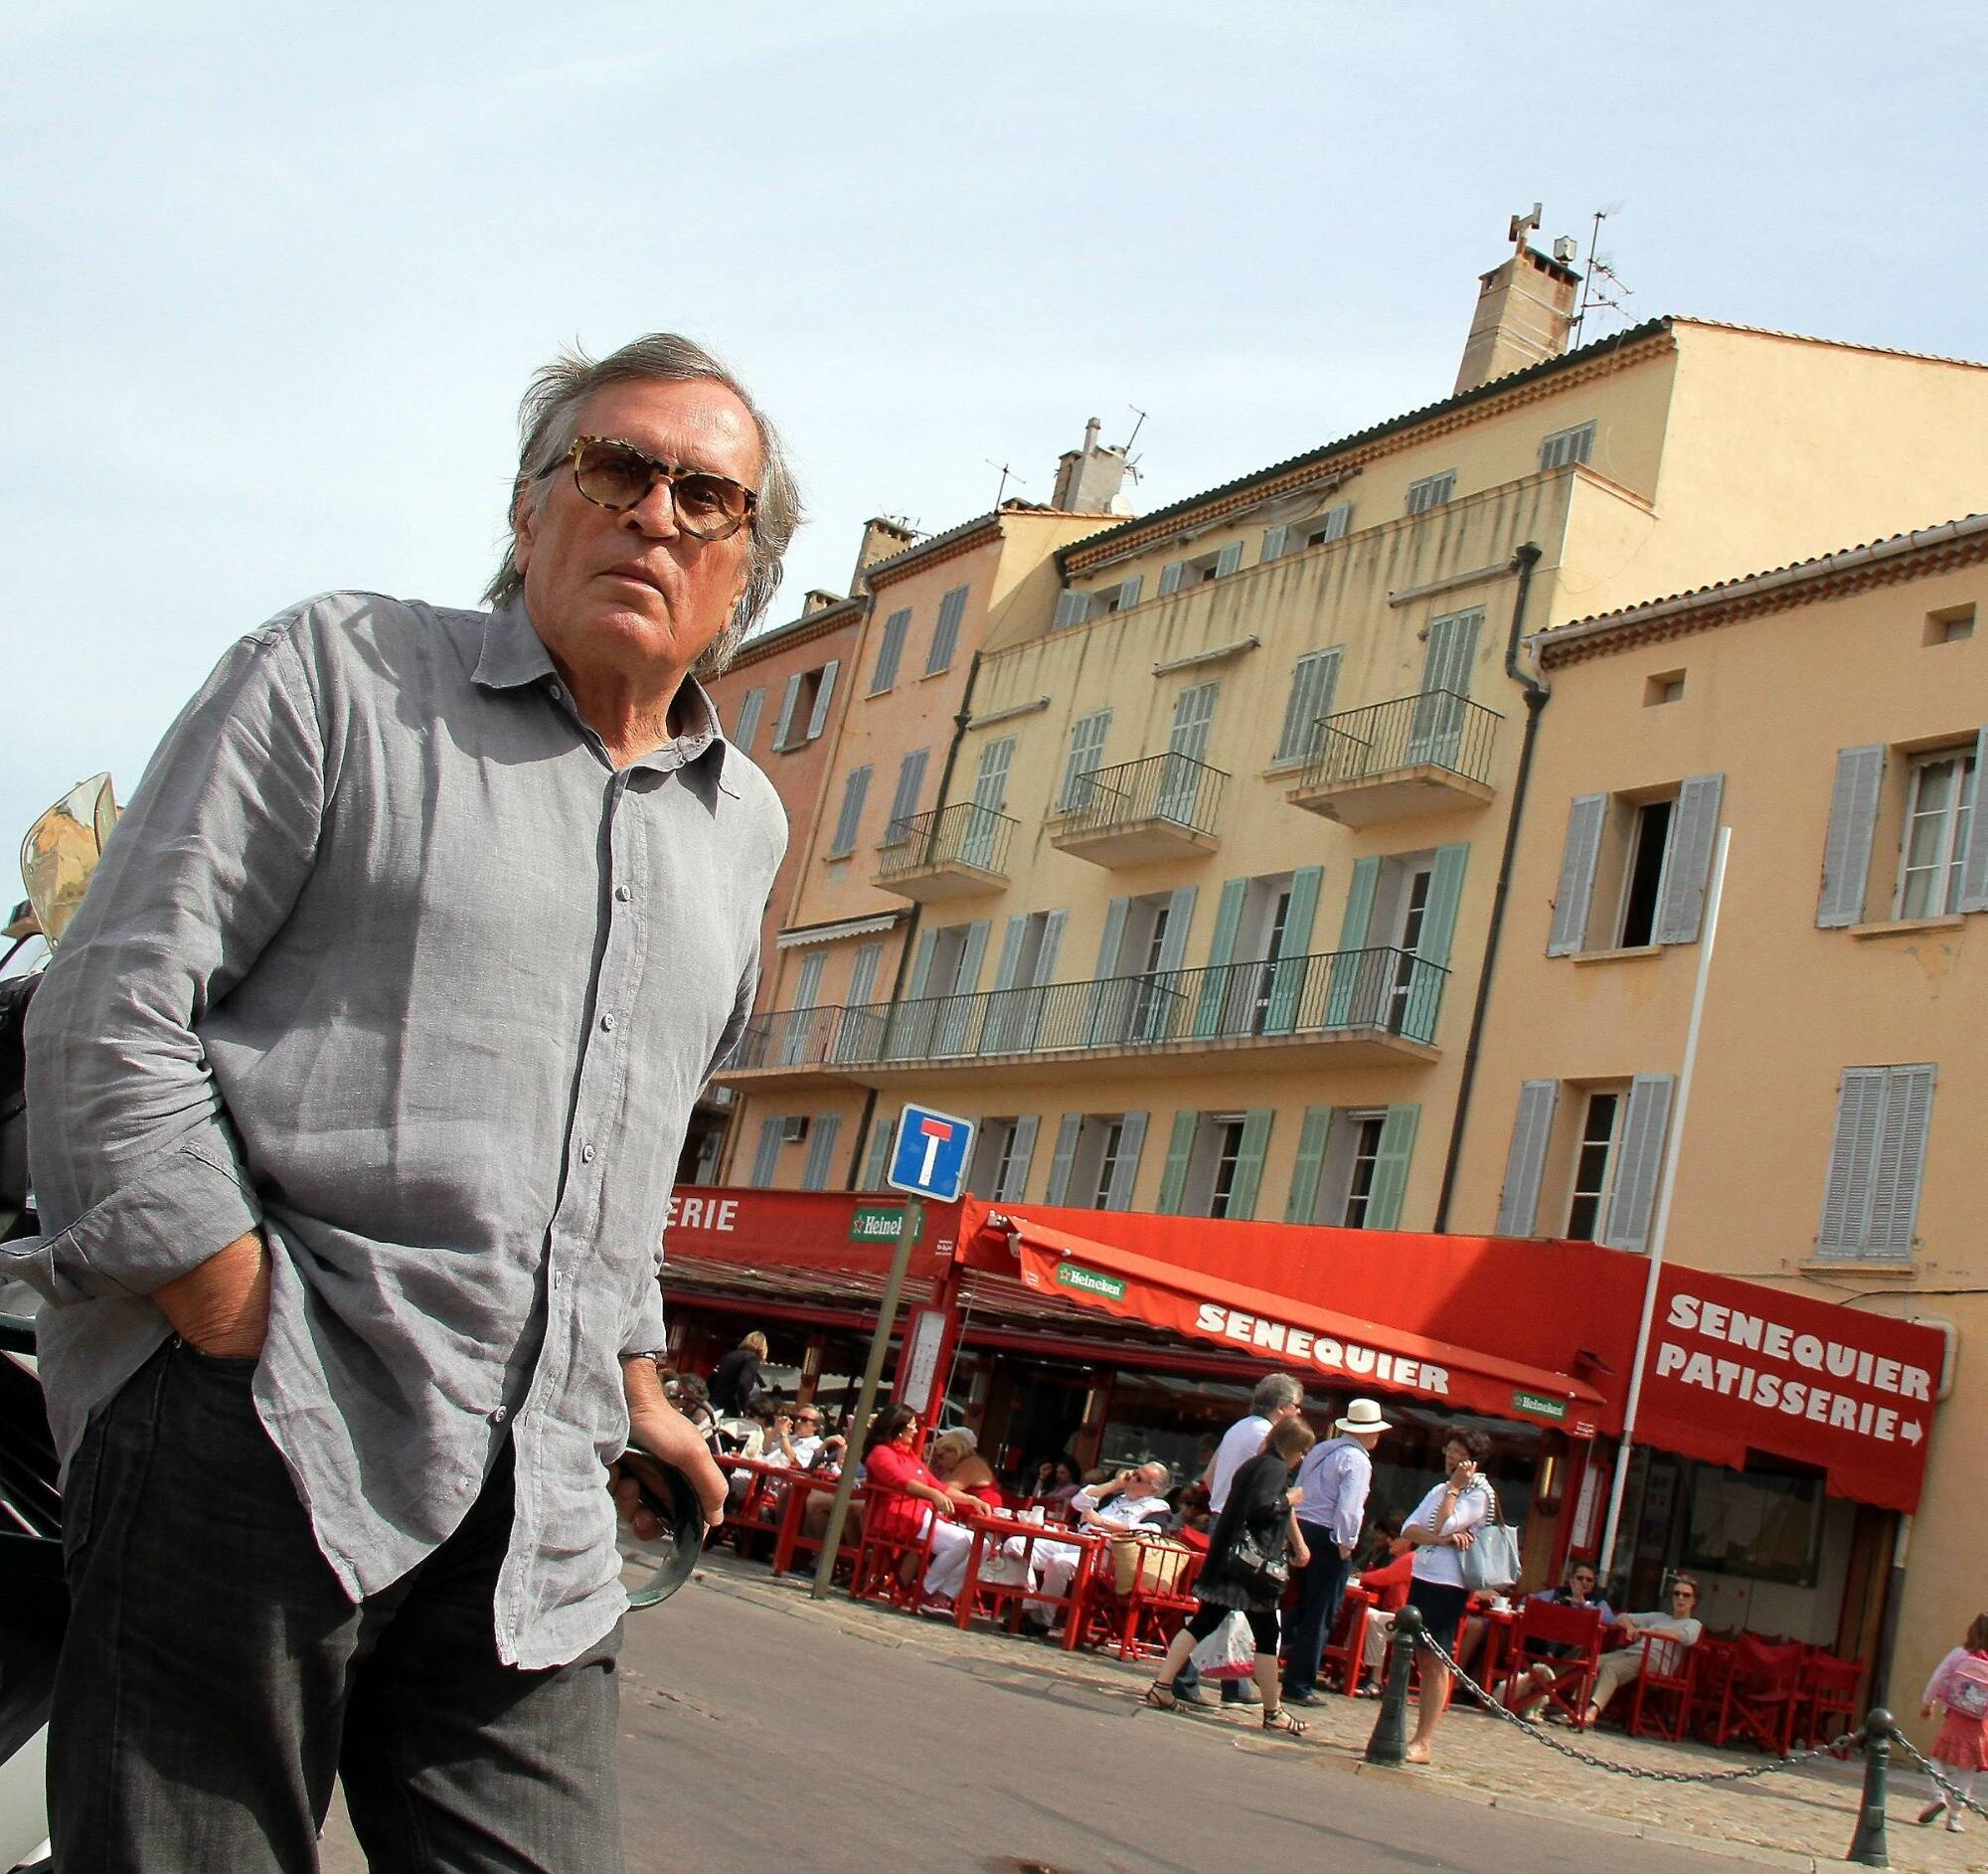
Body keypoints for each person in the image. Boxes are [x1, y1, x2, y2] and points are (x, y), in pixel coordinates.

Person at [9, 331, 799, 1870]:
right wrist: (232, 1311)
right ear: (530, 513)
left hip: (541, 1516)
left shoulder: (744, 827)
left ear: (743, 570)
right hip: (267, 1440)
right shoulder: (340, 673)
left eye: (706, 497)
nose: (654, 513)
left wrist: (633, 1383)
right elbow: (108, 1010)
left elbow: (618, 1163)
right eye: (614, 468)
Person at [1143, 1416, 1317, 1737]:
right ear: (1291, 1445)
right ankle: (1273, 1711)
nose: (1303, 1457)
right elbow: (1262, 1508)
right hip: (1251, 1570)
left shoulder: (1252, 1465)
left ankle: (1162, 1684)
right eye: (1303, 1450)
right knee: (1267, 1636)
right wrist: (1288, 1500)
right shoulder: (1275, 1469)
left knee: (1203, 1622)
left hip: (1229, 1559)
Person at [1180, 1372, 1306, 1705]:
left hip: (1224, 1518)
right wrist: (1298, 1542)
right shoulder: (1270, 1438)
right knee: (1228, 1607)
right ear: (1281, 1408)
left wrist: (1222, 1499)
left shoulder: (1238, 1428)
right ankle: (1187, 1675)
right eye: (1296, 1406)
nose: (1298, 1413)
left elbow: (1209, 1475)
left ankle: (1232, 1682)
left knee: (1228, 1608)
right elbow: (1273, 1496)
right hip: (1250, 1525)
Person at [1280, 1397, 1391, 1705]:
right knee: (1321, 1613)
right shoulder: (1357, 1460)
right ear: (1369, 1432)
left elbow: (1299, 1488)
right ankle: (1299, 1684)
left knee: (1297, 1604)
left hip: (1302, 1526)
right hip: (1328, 1535)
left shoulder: (1320, 1450)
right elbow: (1350, 1508)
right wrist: (1346, 1543)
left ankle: (1273, 1653)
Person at [1398, 1425, 1497, 1764]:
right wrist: (1438, 1539)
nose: (1451, 1459)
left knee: (1436, 1657)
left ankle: (1424, 1741)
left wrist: (1455, 1490)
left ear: (1473, 1462)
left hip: (1449, 1583)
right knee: (1418, 1656)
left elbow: (1443, 1523)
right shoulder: (1439, 1488)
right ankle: (1408, 1731)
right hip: (1423, 1575)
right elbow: (1410, 1529)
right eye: (1449, 1452)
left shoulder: (1477, 1494)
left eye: (1459, 1454)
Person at [857, 1405, 976, 1616]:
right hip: (897, 1517)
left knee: (981, 1545)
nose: (915, 1430)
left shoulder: (910, 1455)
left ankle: (942, 1595)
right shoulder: (881, 1453)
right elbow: (899, 1480)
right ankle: (925, 1591)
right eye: (911, 1425)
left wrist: (971, 1500)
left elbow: (937, 1485)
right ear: (898, 1427)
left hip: (921, 1515)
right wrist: (932, 1495)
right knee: (963, 1543)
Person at [1024, 1461, 1174, 1624]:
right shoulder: (1116, 1496)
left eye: (1138, 1478)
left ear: (1153, 1489)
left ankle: (1041, 1620)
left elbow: (1149, 1531)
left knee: (1059, 1562)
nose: (1131, 1478)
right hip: (1078, 1541)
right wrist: (1114, 1484)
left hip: (1104, 1555)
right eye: (1133, 1473)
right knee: (1018, 1545)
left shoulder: (1158, 1507)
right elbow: (1078, 1502)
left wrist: (1102, 1522)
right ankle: (1029, 1606)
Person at [1498, 1561, 1616, 1719]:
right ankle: (1528, 1699)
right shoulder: (1558, 1594)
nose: (1584, 1583)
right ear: (1571, 1579)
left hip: (1571, 1658)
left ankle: (1529, 1699)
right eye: (1580, 1578)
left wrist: (1584, 1606)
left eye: (1589, 1580)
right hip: (1542, 1650)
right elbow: (1528, 1601)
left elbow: (1611, 1621)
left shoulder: (1598, 1602)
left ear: (1594, 1584)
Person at [1584, 1577, 1705, 1725]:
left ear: (1694, 1601)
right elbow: (1622, 1617)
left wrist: (1652, 1631)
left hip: (1656, 1661)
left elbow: (1687, 1637)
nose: (1680, 1598)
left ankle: (1592, 1711)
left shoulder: (1693, 1624)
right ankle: (1576, 1707)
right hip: (1633, 1653)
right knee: (1592, 1662)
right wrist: (1631, 1628)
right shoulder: (1659, 1617)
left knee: (1611, 1668)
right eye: (1676, 1593)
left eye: (1686, 1595)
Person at [1916, 1611, 1988, 1831]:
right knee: (1967, 1770)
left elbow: (1938, 1678)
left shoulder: (1959, 1654)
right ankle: (1954, 1817)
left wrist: (1928, 1703)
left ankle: (1938, 1795)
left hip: (1955, 1718)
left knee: (1937, 1758)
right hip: (1980, 1725)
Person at [710, 1330, 769, 1415]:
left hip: (715, 1401)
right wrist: (744, 1407)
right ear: (762, 1346)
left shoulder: (729, 1355)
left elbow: (714, 1377)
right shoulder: (753, 1358)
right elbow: (744, 1383)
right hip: (730, 1405)